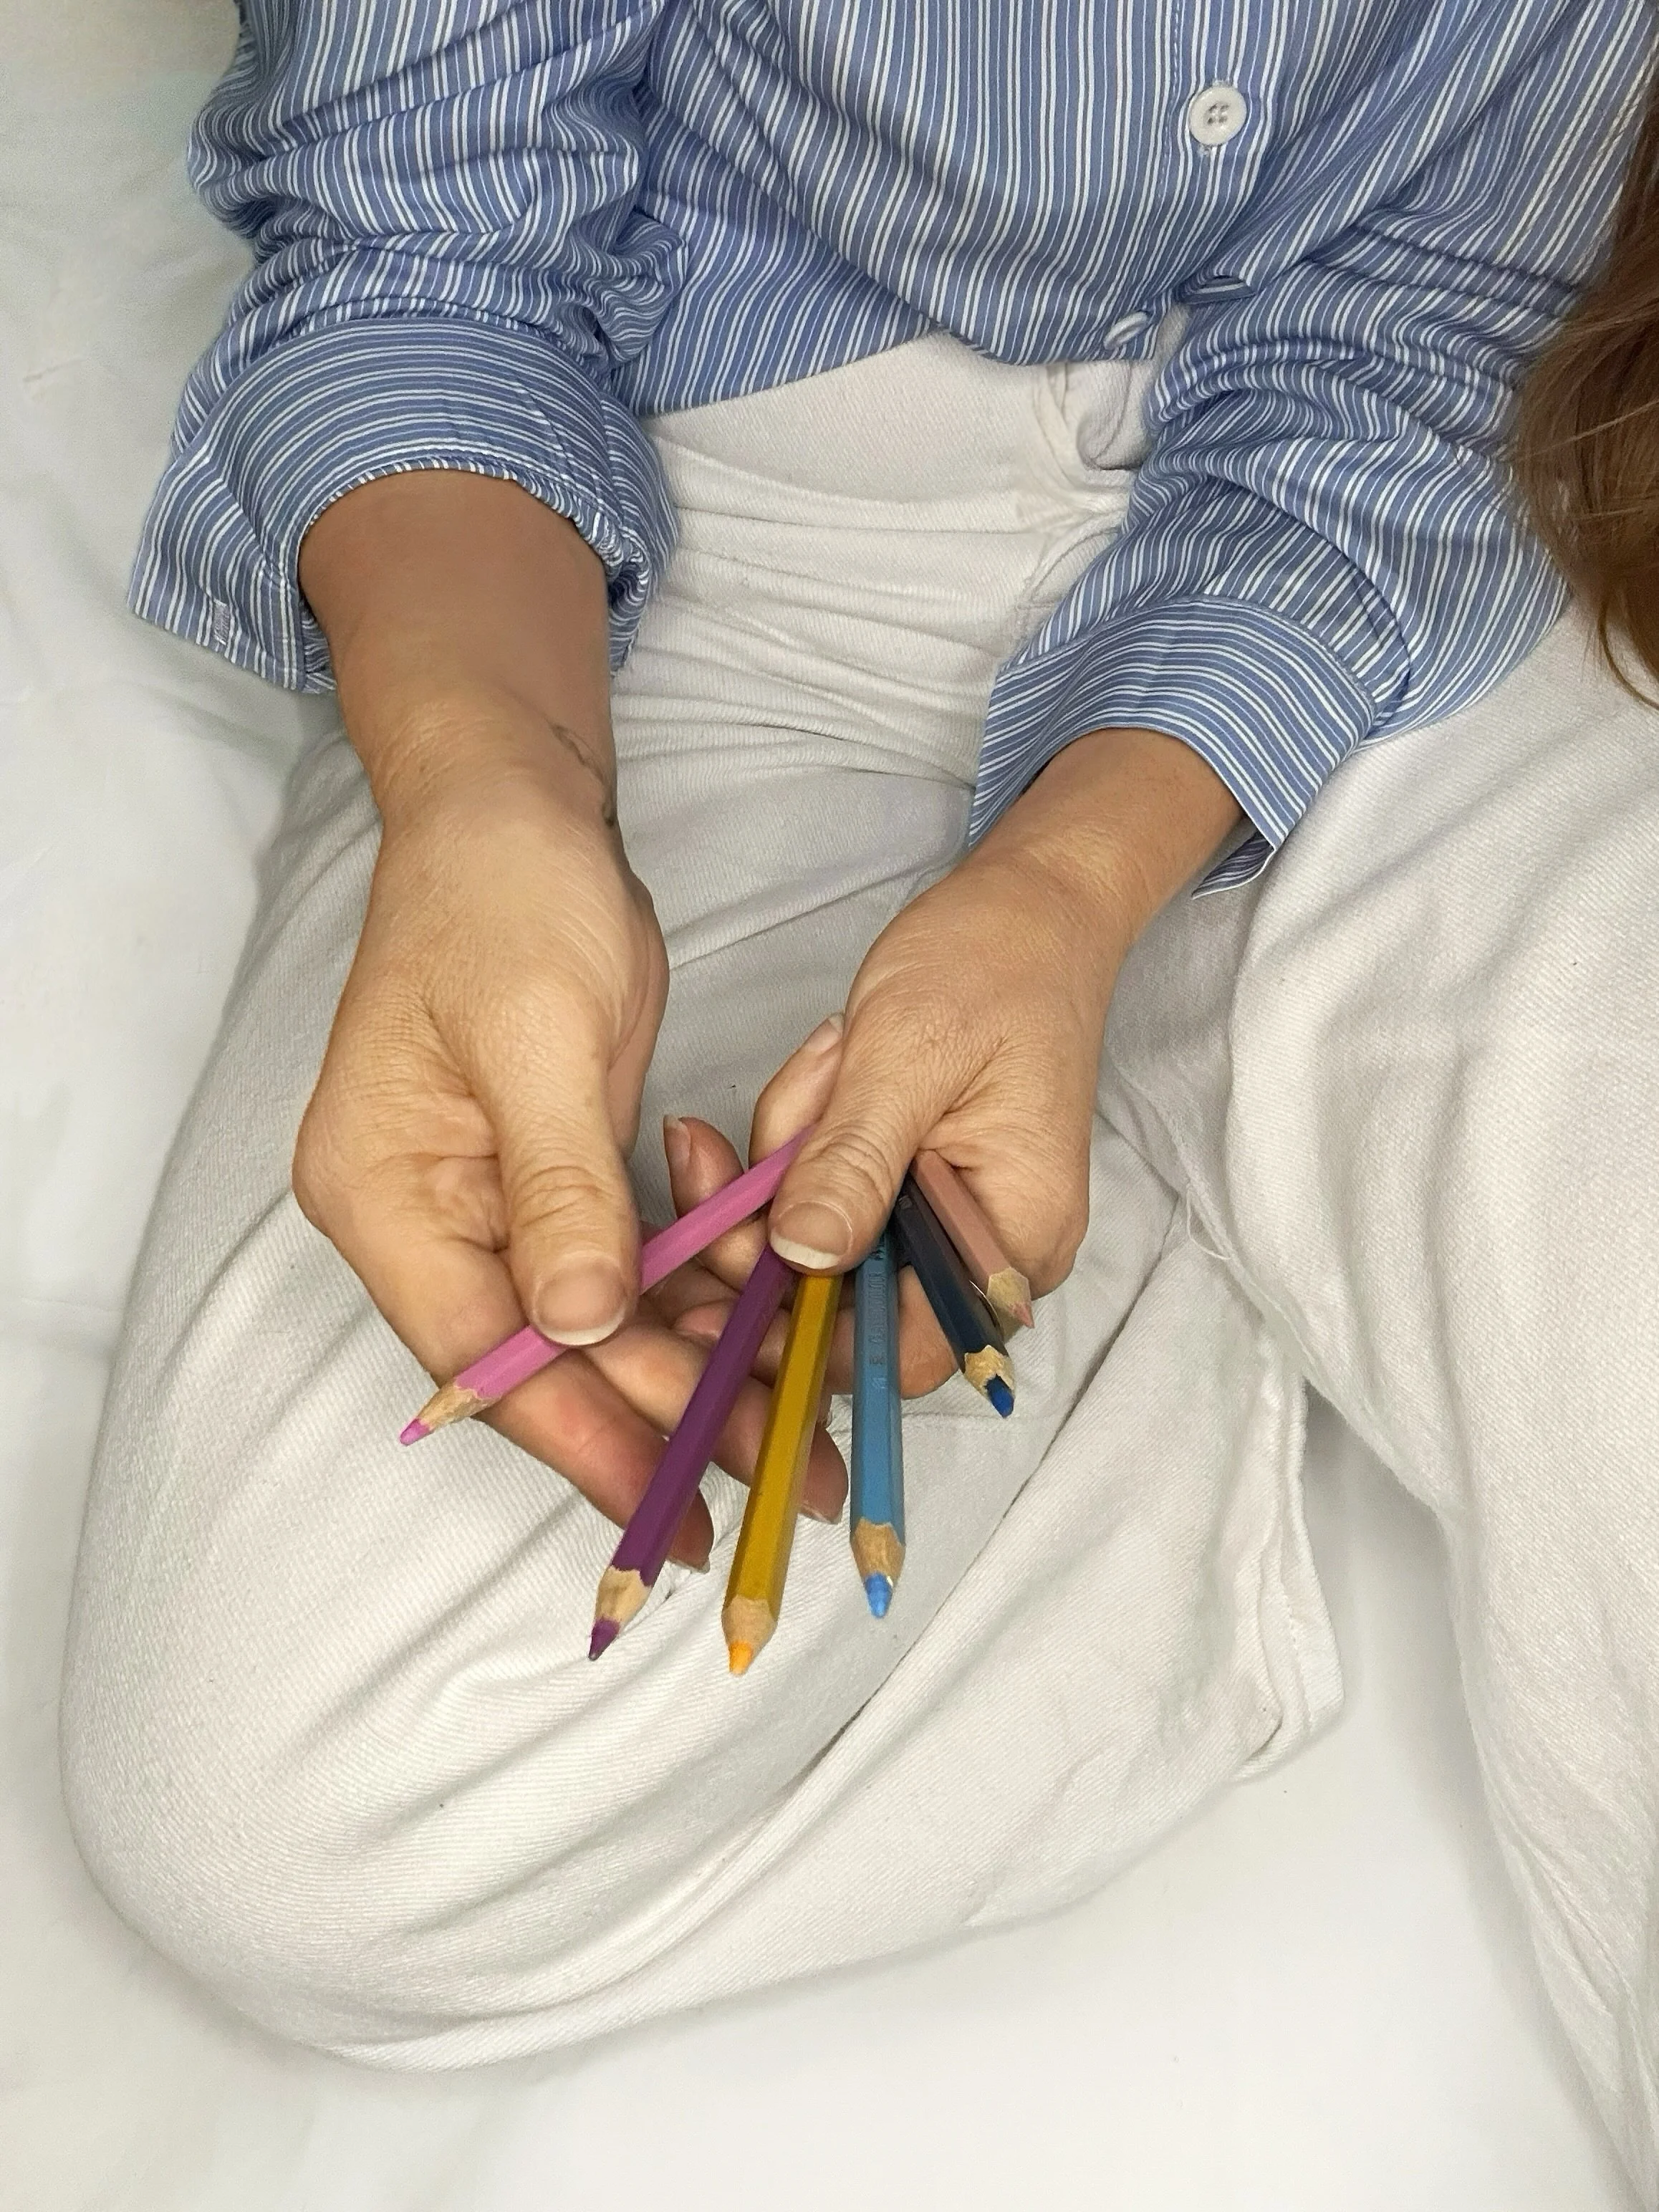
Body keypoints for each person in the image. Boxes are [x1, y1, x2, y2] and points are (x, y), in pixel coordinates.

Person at [56, 2, 1659, 2196]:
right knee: (272, 1818)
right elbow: (422, 229)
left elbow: (1443, 329)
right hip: (681, 526)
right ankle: (1186, 1416)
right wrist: (483, 792)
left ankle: (1242, 1186)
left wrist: (1078, 880)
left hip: (1446, 568)